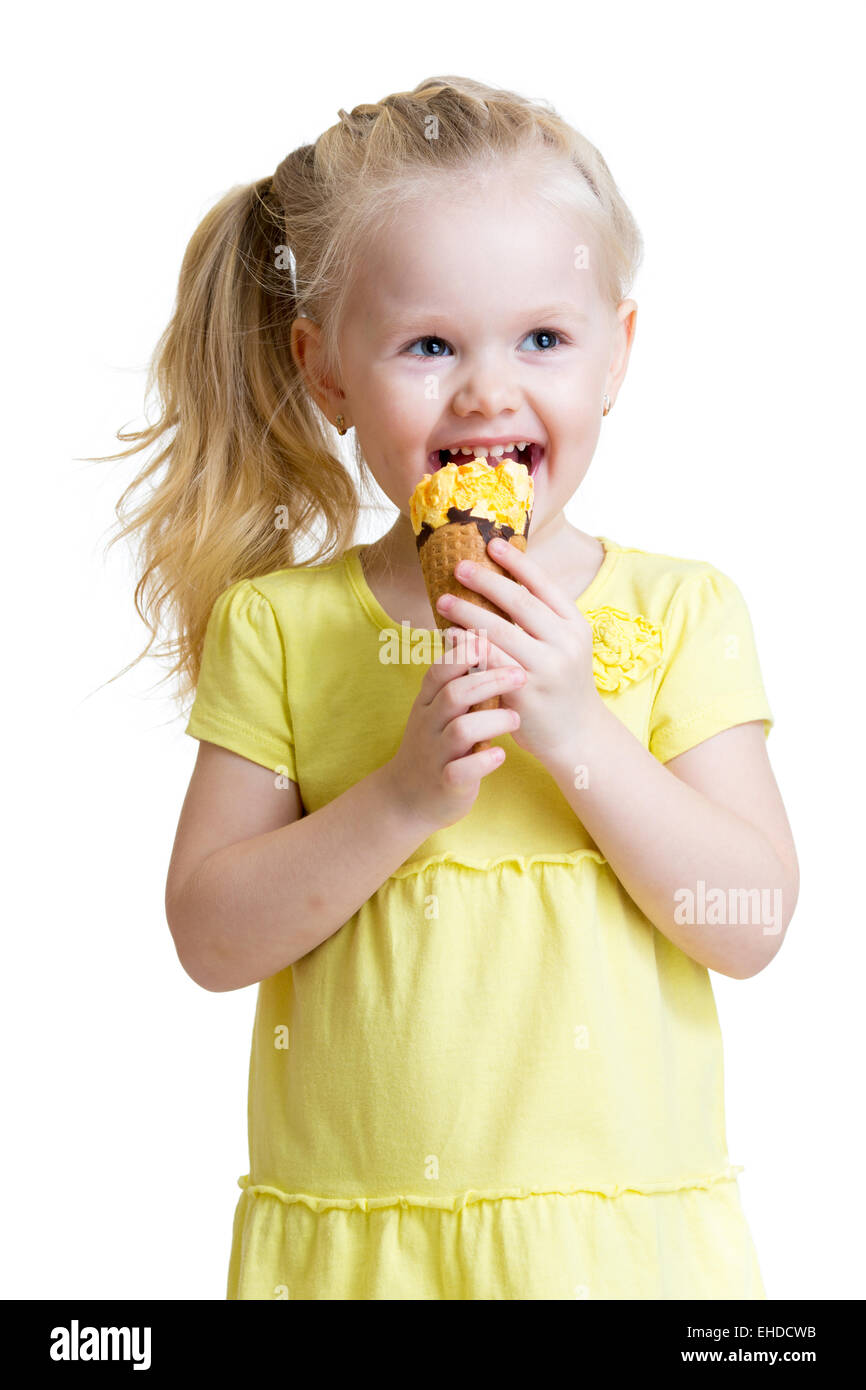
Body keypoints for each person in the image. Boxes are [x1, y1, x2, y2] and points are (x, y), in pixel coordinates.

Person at [109, 75, 798, 1299]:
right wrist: (401, 799)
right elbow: (210, 938)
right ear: (325, 374)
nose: (486, 391)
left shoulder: (681, 612)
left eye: (541, 337)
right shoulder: (284, 626)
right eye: (428, 345)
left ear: (613, 357)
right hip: (355, 1259)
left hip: (620, 1263)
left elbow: (747, 921)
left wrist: (578, 730)